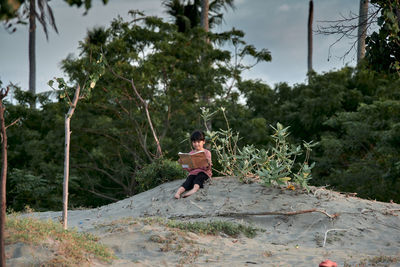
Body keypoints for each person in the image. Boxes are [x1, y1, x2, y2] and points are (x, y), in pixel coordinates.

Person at [174, 130, 212, 199]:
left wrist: (208, 163)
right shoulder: (191, 153)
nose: (196, 144)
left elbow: (208, 168)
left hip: (204, 172)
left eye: (198, 142)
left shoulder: (207, 152)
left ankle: (194, 189)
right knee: (188, 181)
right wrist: (183, 163)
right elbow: (189, 169)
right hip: (193, 173)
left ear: (203, 141)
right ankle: (178, 193)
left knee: (199, 178)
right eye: (194, 142)